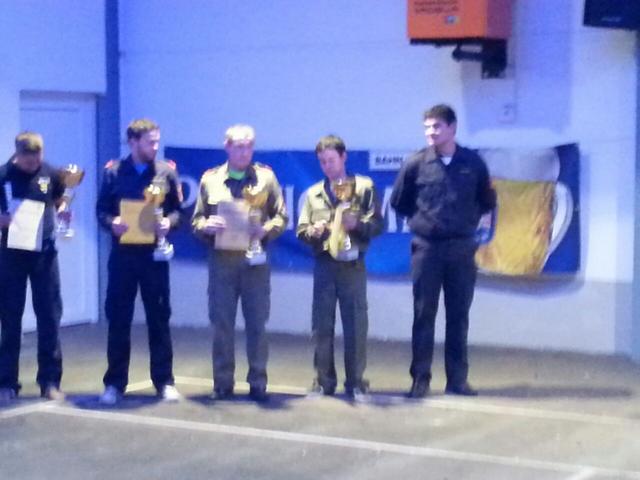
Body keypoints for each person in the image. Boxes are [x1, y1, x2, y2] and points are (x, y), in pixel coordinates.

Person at [390, 104, 496, 398]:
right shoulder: (415, 164)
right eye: (427, 127)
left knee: (458, 316)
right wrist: (425, 222)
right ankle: (420, 380)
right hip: (427, 248)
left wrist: (464, 222)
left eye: (436, 126)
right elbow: (399, 201)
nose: (430, 132)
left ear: (452, 127)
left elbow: (487, 201)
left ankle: (457, 380)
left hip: (461, 249)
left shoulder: (473, 163)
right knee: (424, 314)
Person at [192, 124, 287, 403]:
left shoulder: (266, 178)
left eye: (249, 146)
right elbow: (196, 221)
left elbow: (282, 216)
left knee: (257, 324)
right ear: (227, 147)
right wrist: (206, 226)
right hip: (222, 262)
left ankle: (258, 381)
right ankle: (222, 382)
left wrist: (265, 229)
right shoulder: (210, 180)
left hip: (255, 262)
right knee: (221, 324)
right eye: (239, 146)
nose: (245, 152)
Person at [96, 118, 183, 405]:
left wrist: (169, 223)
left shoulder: (166, 173)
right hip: (123, 257)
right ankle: (114, 383)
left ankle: (164, 381)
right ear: (132, 142)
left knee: (159, 319)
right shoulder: (113, 172)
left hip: (154, 257)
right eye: (149, 142)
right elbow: (101, 211)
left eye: (157, 141)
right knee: (118, 319)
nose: (155, 147)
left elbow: (178, 211)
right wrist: (112, 223)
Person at [297, 135, 383, 400]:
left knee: (356, 324)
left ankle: (356, 381)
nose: (327, 166)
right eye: (322, 162)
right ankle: (323, 381)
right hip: (325, 264)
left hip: (352, 264)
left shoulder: (364, 187)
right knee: (321, 325)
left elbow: (378, 225)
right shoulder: (313, 194)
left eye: (331, 160)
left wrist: (357, 225)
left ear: (344, 157)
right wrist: (313, 231)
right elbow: (301, 230)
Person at [0, 132, 70, 404]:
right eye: (28, 161)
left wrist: (62, 211)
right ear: (17, 155)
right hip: (12, 254)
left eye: (37, 159)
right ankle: (7, 382)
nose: (33, 164)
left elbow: (60, 199)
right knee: (10, 319)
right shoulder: (3, 175)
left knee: (49, 317)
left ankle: (50, 381)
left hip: (45, 253)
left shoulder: (51, 173)